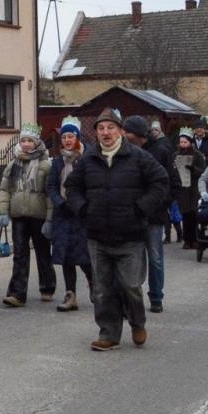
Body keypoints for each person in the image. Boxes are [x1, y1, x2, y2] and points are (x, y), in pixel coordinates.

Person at [64, 109, 169, 352]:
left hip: (130, 235)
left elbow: (160, 181)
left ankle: (137, 322)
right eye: (101, 128)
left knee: (131, 285)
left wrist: (141, 208)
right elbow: (72, 186)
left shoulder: (138, 157)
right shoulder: (89, 158)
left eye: (110, 128)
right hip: (97, 234)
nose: (105, 132)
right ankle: (108, 333)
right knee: (102, 289)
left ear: (121, 131)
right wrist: (82, 209)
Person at [120, 116, 175, 313]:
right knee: (131, 259)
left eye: (127, 132)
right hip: (131, 215)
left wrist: (160, 205)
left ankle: (156, 296)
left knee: (154, 257)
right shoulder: (125, 152)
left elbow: (171, 183)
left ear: (137, 134)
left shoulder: (160, 151)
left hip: (154, 216)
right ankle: (131, 300)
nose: (123, 135)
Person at [0, 123, 56, 308]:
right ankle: (17, 293)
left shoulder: (46, 165)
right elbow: (5, 189)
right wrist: (2, 212)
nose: (26, 144)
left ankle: (47, 286)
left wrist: (50, 218)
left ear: (37, 142)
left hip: (38, 215)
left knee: (43, 252)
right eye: (23, 140)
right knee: (20, 254)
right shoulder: (14, 164)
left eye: (30, 140)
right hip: (19, 215)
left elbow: (49, 194)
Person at [45, 119, 92, 312]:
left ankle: (94, 283)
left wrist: (81, 204)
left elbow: (91, 184)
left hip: (81, 214)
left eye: (70, 136)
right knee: (65, 257)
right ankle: (70, 294)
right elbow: (51, 186)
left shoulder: (87, 159)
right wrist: (59, 202)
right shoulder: (57, 161)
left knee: (84, 256)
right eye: (64, 137)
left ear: (77, 138)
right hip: (63, 214)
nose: (67, 140)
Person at [172, 128, 207, 249]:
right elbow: (173, 172)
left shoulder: (197, 155)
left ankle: (195, 239)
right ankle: (187, 239)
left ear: (190, 143)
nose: (182, 144)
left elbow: (203, 171)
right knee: (185, 215)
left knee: (194, 215)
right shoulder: (176, 155)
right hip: (182, 189)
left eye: (185, 142)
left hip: (194, 189)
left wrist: (193, 170)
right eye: (181, 142)